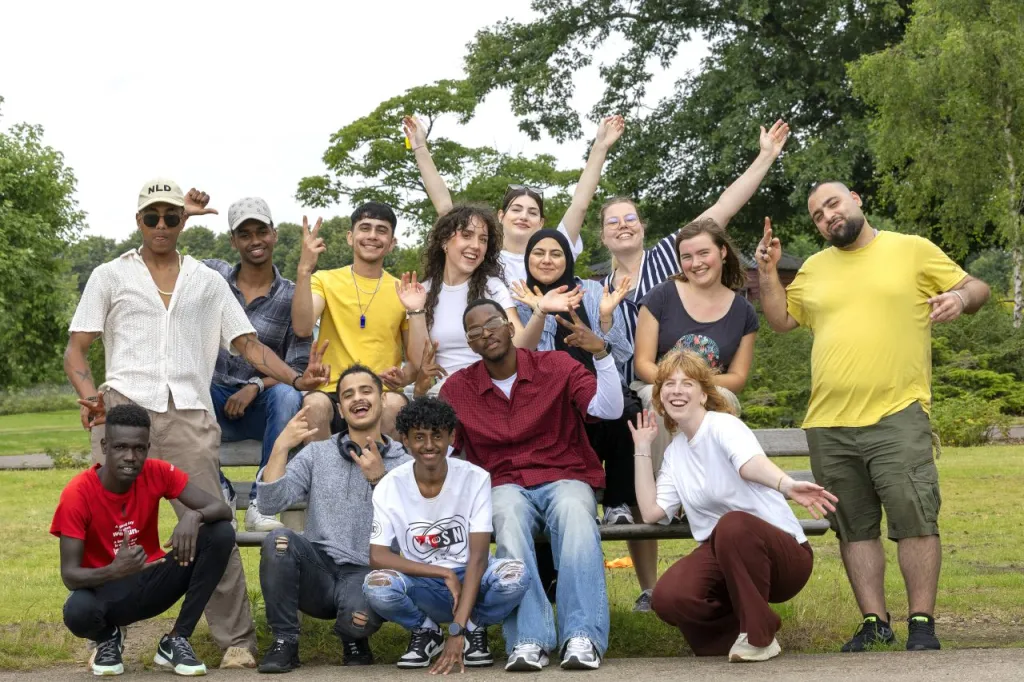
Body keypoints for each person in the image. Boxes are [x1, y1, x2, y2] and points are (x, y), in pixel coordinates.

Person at [63, 179, 332, 668]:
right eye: (152, 216)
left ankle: (235, 641)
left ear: (182, 222)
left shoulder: (207, 281)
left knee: (214, 522)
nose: (162, 225)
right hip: (123, 411)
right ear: (138, 221)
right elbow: (77, 349)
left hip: (188, 410)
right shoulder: (109, 275)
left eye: (171, 216)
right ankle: (105, 633)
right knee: (113, 531)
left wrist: (297, 378)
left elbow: (248, 345)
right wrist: (89, 395)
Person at [756, 182, 992, 652]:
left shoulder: (910, 250)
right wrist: (766, 271)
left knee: (915, 518)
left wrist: (960, 300)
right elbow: (781, 320)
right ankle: (874, 622)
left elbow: (977, 287)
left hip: (898, 412)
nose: (828, 216)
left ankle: (921, 623)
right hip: (829, 423)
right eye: (818, 215)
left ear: (856, 199)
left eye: (833, 204)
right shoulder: (814, 267)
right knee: (854, 526)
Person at [439, 299, 624, 671]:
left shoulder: (556, 366)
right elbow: (437, 448)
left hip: (564, 475)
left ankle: (582, 635)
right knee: (505, 516)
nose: (486, 333)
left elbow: (609, 410)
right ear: (470, 344)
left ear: (510, 327)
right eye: (475, 331)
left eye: (492, 323)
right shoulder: (458, 389)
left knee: (575, 512)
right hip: (503, 483)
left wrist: (601, 354)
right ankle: (529, 638)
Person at [629, 351, 837, 661]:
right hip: (726, 559)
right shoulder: (675, 453)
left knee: (733, 524)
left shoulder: (723, 426)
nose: (677, 390)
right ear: (660, 395)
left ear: (703, 394)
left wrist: (786, 485)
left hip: (783, 557)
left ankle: (758, 636)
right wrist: (642, 448)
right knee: (669, 597)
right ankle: (733, 640)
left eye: (687, 383)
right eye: (669, 384)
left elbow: (749, 465)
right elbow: (651, 512)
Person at [510, 229, 655, 610]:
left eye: (555, 253)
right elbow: (522, 359)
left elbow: (621, 353)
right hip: (547, 404)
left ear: (568, 259)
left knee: (626, 411)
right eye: (538, 253)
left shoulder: (591, 291)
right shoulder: (520, 298)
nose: (546, 260)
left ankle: (618, 503)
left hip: (596, 391)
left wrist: (604, 320)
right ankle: (551, 579)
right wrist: (542, 310)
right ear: (527, 259)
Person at [51, 404, 236, 677]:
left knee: (220, 533)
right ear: (105, 446)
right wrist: (115, 570)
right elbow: (70, 576)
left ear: (148, 448)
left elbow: (221, 509)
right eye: (121, 447)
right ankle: (108, 639)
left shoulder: (157, 472)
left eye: (139, 448)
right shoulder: (77, 494)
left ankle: (177, 639)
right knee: (76, 610)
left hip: (152, 579)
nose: (130, 457)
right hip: (106, 592)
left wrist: (193, 516)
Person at [254, 364, 412, 672]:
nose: (357, 399)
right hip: (319, 568)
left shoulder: (404, 462)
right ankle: (285, 641)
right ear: (340, 408)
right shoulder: (318, 453)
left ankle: (352, 638)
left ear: (382, 400)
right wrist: (281, 446)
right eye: (348, 395)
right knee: (278, 540)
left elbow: (410, 528)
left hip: (368, 570)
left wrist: (378, 480)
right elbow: (270, 503)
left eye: (366, 391)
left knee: (358, 621)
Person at [363, 396, 530, 672]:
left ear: (452, 437)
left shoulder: (475, 478)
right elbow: (377, 556)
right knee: (376, 585)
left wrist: (457, 628)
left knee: (516, 576)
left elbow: (478, 558)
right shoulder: (389, 485)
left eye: (437, 436)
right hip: (423, 582)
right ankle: (426, 631)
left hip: (471, 577)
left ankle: (473, 627)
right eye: (419, 437)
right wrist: (443, 573)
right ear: (405, 440)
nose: (429, 445)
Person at [404, 114, 625, 283]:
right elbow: (445, 208)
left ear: (541, 222)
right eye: (516, 209)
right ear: (501, 216)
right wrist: (420, 147)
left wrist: (600, 146)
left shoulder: (553, 252)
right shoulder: (482, 255)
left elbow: (580, 204)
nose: (523, 216)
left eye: (532, 212)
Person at [203, 197, 309, 532]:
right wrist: (184, 215)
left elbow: (298, 367)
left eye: (261, 231)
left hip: (264, 408)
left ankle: (262, 502)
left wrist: (256, 385)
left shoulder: (291, 295)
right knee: (181, 389)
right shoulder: (213, 275)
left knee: (289, 396)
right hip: (211, 402)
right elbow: (165, 258)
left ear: (274, 234)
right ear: (233, 241)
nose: (255, 241)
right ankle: (220, 490)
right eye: (244, 234)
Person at [290, 201, 428, 441]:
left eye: (381, 230)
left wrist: (416, 311)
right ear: (350, 237)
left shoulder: (402, 290)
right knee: (313, 406)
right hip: (332, 390)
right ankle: (323, 467)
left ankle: (380, 467)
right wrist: (304, 270)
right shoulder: (325, 280)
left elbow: (418, 362)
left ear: (392, 243)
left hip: (381, 391)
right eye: (365, 228)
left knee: (395, 405)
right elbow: (302, 328)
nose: (372, 236)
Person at [417, 206, 581, 388]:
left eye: (483, 239)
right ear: (444, 241)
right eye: (467, 235)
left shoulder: (493, 288)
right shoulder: (423, 292)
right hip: (444, 392)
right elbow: (418, 363)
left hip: (489, 390)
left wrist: (540, 311)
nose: (476, 245)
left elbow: (521, 346)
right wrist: (415, 310)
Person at [634, 218, 759, 417]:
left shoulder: (744, 312)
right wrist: (677, 386)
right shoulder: (660, 297)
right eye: (687, 257)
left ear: (723, 252)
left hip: (712, 390)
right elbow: (642, 363)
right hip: (658, 386)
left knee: (724, 399)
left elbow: (737, 377)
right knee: (661, 403)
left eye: (703, 253)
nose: (696, 263)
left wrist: (696, 385)